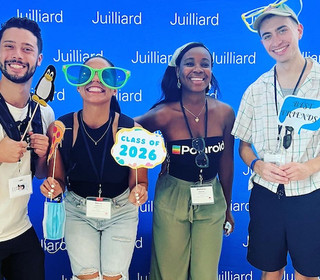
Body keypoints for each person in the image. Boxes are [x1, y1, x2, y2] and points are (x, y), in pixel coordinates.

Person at [40, 56, 148, 280]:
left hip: (121, 212)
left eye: (105, 76)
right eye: (87, 74)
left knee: (114, 277)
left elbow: (139, 182)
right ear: (79, 86)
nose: (96, 80)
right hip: (78, 210)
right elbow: (58, 179)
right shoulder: (61, 128)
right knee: (85, 277)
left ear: (115, 88)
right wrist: (54, 186)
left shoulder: (133, 130)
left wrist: (140, 191)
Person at [233, 3, 320, 280]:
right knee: (270, 269)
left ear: (299, 30)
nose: (276, 40)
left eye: (282, 30)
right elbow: (243, 146)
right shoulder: (256, 89)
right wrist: (257, 165)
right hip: (267, 195)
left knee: (307, 272)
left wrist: (309, 167)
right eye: (267, 35)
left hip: (310, 194)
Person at [135, 42, 235, 280]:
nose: (198, 69)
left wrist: (228, 208)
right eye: (189, 64)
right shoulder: (164, 113)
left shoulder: (225, 113)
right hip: (173, 196)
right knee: (168, 273)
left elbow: (227, 164)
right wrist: (140, 174)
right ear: (178, 72)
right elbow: (126, 132)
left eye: (205, 64)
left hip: (212, 197)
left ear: (211, 71)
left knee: (205, 274)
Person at [0, 17, 54, 280]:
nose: (17, 55)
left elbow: (41, 173)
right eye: (9, 46)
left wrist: (43, 156)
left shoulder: (44, 111)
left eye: (27, 49)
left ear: (39, 59)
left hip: (20, 231)